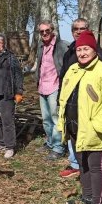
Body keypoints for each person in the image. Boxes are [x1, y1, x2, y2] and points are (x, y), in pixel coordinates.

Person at [58, 30, 102, 204]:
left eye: (86, 49)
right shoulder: (73, 70)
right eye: (79, 50)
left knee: (96, 167)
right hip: (74, 128)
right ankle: (87, 197)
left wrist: (97, 125)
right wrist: (63, 122)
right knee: (82, 164)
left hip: (95, 131)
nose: (82, 53)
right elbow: (64, 98)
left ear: (94, 50)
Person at [58, 18, 102, 178]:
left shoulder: (98, 53)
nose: (79, 31)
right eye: (76, 29)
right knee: (73, 135)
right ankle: (76, 165)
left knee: (89, 139)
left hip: (88, 107)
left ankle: (91, 167)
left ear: (88, 30)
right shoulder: (69, 52)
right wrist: (61, 99)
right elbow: (63, 78)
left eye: (82, 28)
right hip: (71, 105)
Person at [34, 20, 68, 160]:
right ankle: (50, 142)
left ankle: (59, 148)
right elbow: (40, 66)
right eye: (41, 31)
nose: (44, 33)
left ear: (52, 30)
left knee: (56, 119)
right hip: (43, 87)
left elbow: (67, 67)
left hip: (55, 87)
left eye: (47, 30)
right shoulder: (41, 46)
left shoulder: (62, 46)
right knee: (46, 119)